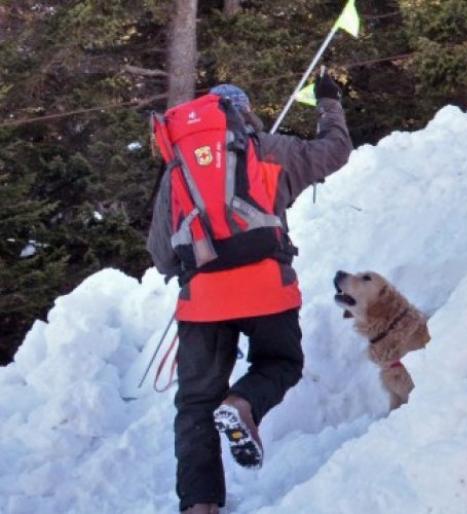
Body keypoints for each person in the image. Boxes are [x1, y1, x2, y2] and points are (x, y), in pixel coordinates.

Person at [147, 72, 353, 514]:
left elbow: (161, 253)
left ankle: (200, 507)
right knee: (280, 362)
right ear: (245, 113)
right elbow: (335, 151)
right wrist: (329, 103)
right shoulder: (269, 149)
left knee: (196, 404)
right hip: (267, 290)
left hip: (203, 302)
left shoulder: (179, 166)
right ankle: (243, 403)